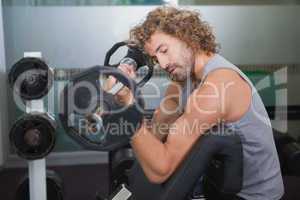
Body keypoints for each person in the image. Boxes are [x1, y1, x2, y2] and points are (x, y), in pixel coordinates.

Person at [105, 6, 284, 200]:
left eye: (164, 50)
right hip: (215, 180)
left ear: (186, 35)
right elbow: (157, 133)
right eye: (156, 58)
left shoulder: (219, 86)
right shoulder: (181, 79)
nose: (163, 64)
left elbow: (160, 170)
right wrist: (121, 97)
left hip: (251, 196)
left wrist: (128, 107)